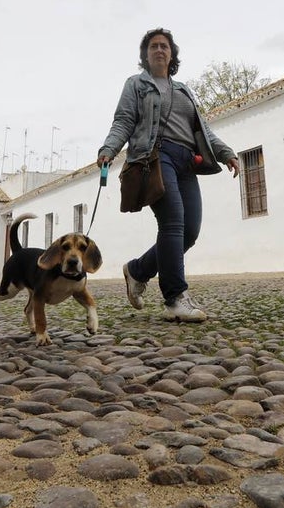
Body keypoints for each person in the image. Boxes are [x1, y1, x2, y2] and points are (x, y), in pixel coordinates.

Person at [97, 28, 240, 323]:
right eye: (153, 47)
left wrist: (226, 152)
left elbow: (202, 128)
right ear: (146, 55)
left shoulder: (184, 90)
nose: (159, 50)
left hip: (187, 161)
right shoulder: (137, 84)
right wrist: (109, 149)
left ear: (172, 54)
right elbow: (123, 120)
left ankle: (137, 270)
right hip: (156, 158)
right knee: (172, 221)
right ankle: (175, 297)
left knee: (190, 231)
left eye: (164, 46)